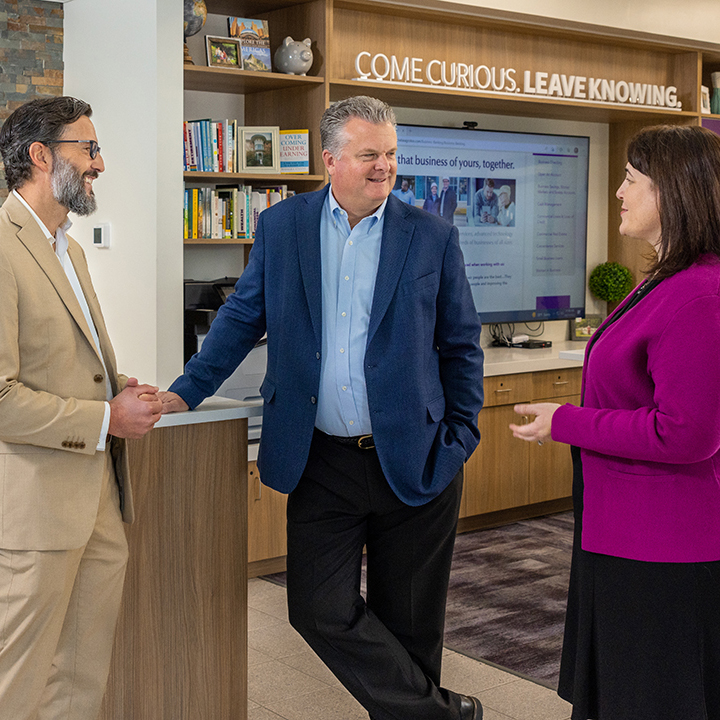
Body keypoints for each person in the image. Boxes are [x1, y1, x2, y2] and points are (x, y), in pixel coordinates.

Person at [160, 95, 485, 720]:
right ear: (329, 159)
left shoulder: (432, 235)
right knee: (317, 608)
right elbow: (240, 317)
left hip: (415, 458)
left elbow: (460, 341)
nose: (384, 167)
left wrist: (461, 433)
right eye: (369, 155)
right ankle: (443, 715)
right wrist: (185, 390)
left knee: (411, 626)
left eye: (390, 154)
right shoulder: (283, 226)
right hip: (321, 459)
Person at [509, 124, 720, 720]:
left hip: (663, 548)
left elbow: (687, 434)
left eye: (631, 180)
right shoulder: (663, 280)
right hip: (621, 532)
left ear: (672, 192)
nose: (619, 192)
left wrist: (568, 422)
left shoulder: (699, 294)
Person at [0, 96, 162, 720]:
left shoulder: (70, 248)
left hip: (97, 499)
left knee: (79, 680)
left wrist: (118, 387)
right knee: (17, 682)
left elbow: (63, 361)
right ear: (41, 156)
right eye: (87, 149)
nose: (100, 163)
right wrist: (105, 419)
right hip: (36, 513)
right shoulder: (5, 246)